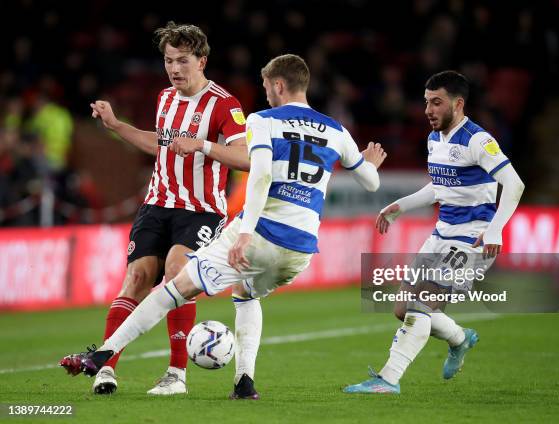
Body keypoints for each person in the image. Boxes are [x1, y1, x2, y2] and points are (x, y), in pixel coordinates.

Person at [59, 53, 387, 399]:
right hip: (301, 249)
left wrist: (245, 236)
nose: (266, 94)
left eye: (266, 87)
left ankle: (103, 355)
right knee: (247, 294)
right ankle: (244, 382)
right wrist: (371, 164)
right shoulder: (337, 130)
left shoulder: (264, 120)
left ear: (278, 85)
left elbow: (260, 176)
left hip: (259, 233)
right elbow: (370, 182)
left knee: (175, 287)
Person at [60, 22, 253, 396]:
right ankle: (105, 369)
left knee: (177, 273)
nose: (174, 69)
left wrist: (201, 145)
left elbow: (245, 157)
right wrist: (117, 126)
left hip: (200, 210)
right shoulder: (165, 98)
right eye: (168, 61)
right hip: (156, 204)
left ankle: (176, 374)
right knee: (136, 278)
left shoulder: (225, 104)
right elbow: (161, 144)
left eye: (182, 61)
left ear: (202, 61)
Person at [344, 70, 525, 394]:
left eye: (437, 102)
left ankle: (387, 380)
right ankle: (460, 338)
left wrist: (495, 231)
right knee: (403, 308)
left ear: (458, 104)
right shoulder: (434, 139)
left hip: (471, 239)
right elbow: (439, 188)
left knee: (421, 306)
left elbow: (514, 183)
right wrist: (399, 206)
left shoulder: (477, 140)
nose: (428, 109)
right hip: (442, 235)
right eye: (427, 102)